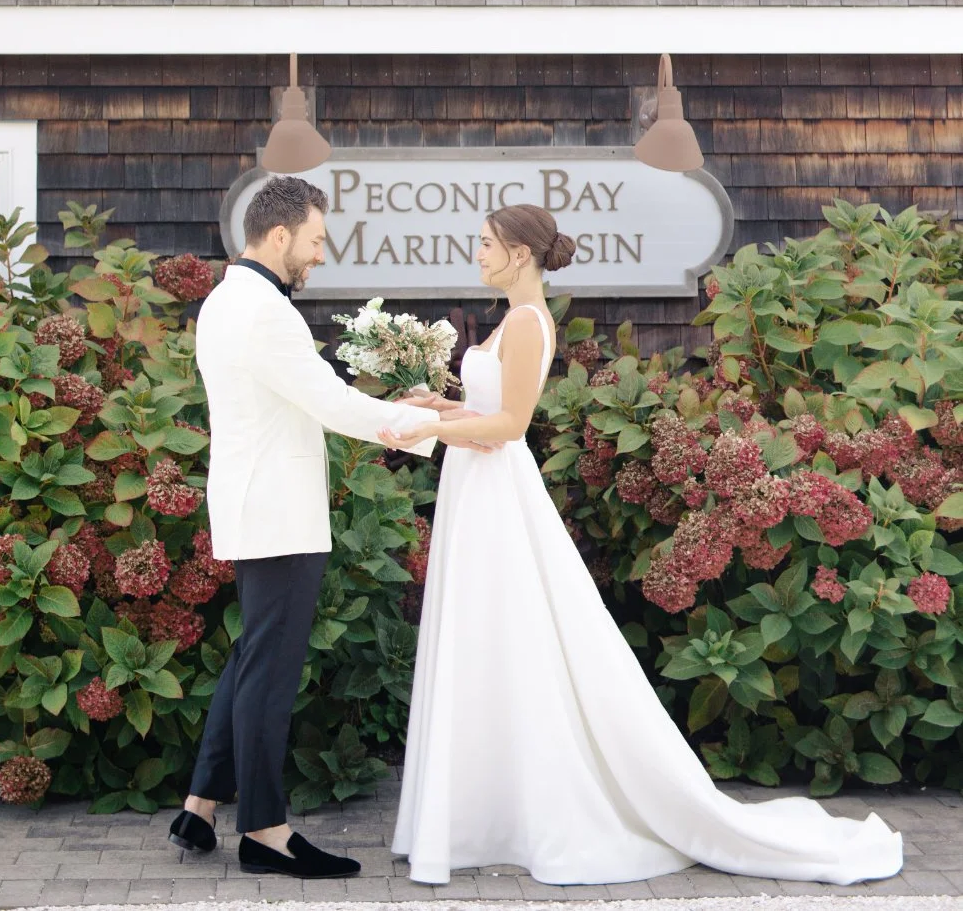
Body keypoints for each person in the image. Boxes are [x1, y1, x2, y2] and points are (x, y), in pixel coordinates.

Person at [378, 202, 905, 888]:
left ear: (518, 252)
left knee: (513, 638)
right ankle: (475, 813)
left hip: (495, 490)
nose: (476, 253)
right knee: (483, 641)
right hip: (475, 490)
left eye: (484, 244)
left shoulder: (530, 322)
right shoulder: (512, 319)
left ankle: (515, 812)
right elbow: (484, 414)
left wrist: (423, 431)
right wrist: (433, 409)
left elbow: (510, 425)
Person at [167, 175, 444, 880]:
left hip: (252, 503)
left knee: (252, 657)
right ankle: (264, 831)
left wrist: (394, 403)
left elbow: (303, 397)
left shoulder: (226, 301)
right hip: (279, 515)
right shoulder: (265, 311)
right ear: (281, 234)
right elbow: (331, 405)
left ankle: (200, 805)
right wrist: (435, 424)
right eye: (317, 240)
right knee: (269, 668)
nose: (322, 254)